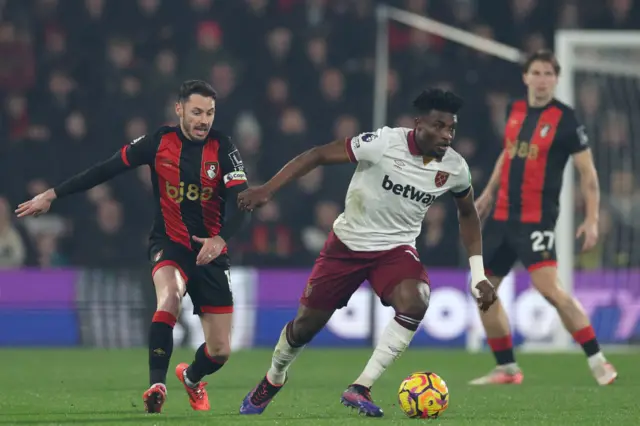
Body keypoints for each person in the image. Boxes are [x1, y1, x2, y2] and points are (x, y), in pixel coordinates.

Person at [235, 88, 498, 417]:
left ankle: (360, 386)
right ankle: (273, 379)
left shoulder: (456, 168)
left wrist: (478, 275)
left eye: (451, 129)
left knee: (417, 300)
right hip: (346, 246)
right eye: (439, 126)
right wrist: (267, 190)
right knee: (304, 328)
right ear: (418, 124)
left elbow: (468, 213)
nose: (446, 135)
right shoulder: (383, 143)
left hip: (395, 250)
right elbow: (317, 155)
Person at [15, 80, 250, 412]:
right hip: (169, 243)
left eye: (209, 113)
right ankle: (156, 384)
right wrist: (52, 195)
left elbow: (244, 202)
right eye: (196, 112)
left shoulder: (222, 146)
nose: (203, 120)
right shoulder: (158, 142)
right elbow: (105, 169)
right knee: (169, 296)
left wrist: (221, 238)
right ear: (179, 109)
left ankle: (192, 377)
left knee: (220, 351)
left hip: (211, 252)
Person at [469, 50, 617, 386]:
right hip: (503, 216)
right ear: (525, 77)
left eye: (548, 73)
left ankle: (598, 360)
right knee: (483, 290)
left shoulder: (566, 120)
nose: (542, 79)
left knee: (549, 288)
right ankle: (506, 368)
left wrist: (591, 219)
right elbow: (508, 154)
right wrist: (490, 191)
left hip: (536, 219)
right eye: (536, 72)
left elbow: (587, 173)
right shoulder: (515, 110)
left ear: (556, 78)